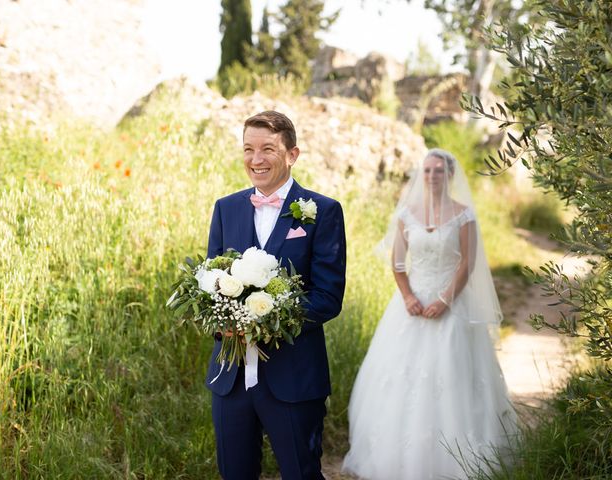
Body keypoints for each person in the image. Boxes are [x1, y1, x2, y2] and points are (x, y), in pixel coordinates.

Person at [342, 149, 517, 480]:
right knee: (399, 377)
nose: (433, 176)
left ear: (450, 175)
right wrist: (408, 297)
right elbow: (397, 263)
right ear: (421, 175)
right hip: (411, 307)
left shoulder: (464, 215)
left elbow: (468, 263)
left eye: (439, 171)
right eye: (427, 171)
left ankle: (457, 458)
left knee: (453, 374)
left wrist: (446, 300)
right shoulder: (407, 214)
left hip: (452, 303)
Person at [205, 110, 347, 479]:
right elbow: (211, 283)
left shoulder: (323, 212)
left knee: (301, 473)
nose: (256, 159)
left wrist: (266, 320)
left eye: (268, 149)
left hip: (294, 377)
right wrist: (225, 323)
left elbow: (328, 296)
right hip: (230, 377)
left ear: (292, 154)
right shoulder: (226, 208)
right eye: (248, 149)